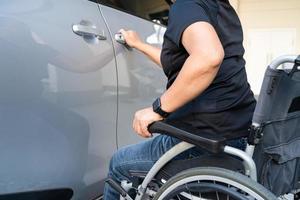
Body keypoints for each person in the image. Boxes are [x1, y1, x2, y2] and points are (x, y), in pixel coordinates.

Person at [103, 0, 256, 199]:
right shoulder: (220, 9)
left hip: (203, 140)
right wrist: (140, 45)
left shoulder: (187, 5)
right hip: (238, 135)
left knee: (118, 164)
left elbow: (208, 57)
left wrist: (158, 109)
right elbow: (189, 64)